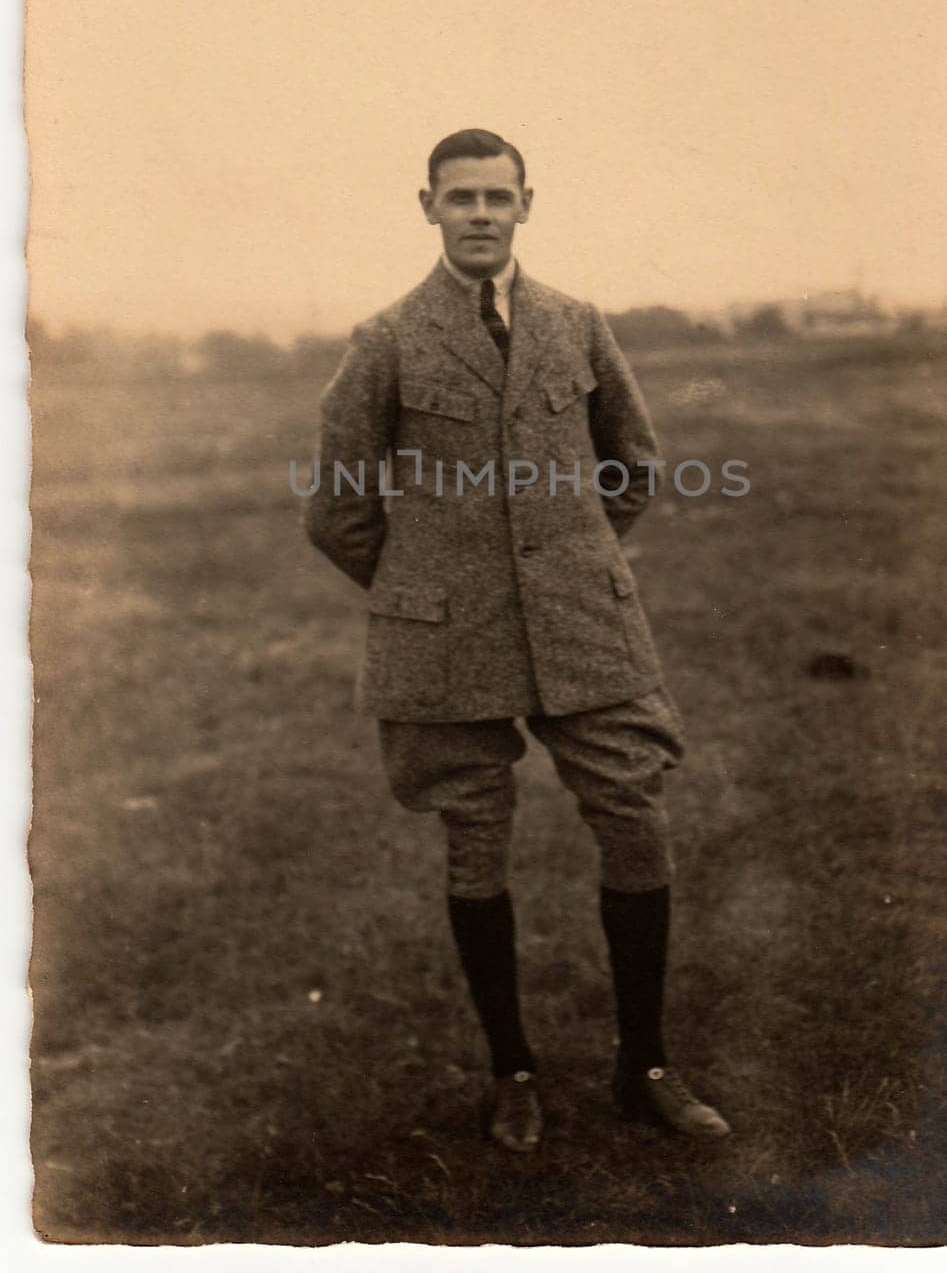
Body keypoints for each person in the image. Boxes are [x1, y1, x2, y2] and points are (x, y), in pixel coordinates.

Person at [304, 129, 730, 1152]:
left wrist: (567, 560)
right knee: (475, 836)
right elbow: (337, 511)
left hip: (583, 623)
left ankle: (648, 1066)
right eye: (463, 197)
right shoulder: (387, 340)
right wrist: (426, 587)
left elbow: (633, 463)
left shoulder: (576, 325)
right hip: (445, 638)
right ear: (429, 207)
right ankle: (513, 1072)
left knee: (634, 811)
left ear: (528, 204)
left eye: (500, 195)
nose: (482, 213)